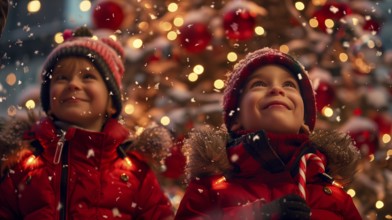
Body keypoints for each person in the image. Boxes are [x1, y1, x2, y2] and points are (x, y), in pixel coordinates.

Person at [0, 26, 174, 219]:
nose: (73, 84)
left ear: (111, 104)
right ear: (48, 101)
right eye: (61, 77)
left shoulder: (134, 170)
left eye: (88, 76)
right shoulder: (21, 163)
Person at [175, 47, 362, 219]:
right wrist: (260, 215)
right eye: (259, 84)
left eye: (289, 84)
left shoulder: (335, 197)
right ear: (236, 119)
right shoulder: (209, 188)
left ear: (305, 122)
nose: (276, 89)